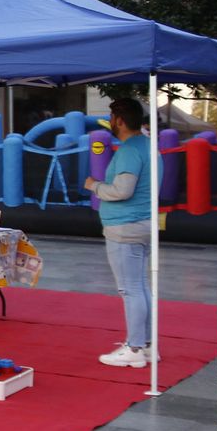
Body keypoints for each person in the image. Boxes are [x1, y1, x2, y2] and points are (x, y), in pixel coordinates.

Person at [85, 97, 162, 368]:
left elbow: (122, 190)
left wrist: (95, 186)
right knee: (140, 286)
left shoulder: (130, 150)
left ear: (118, 120)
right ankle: (147, 344)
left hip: (125, 227)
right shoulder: (150, 147)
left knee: (130, 288)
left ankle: (134, 348)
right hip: (143, 223)